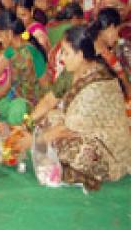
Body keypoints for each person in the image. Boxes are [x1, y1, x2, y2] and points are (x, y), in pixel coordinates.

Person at [21, 25, 131, 190]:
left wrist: (35, 141)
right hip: (77, 127)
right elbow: (49, 100)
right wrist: (27, 124)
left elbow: (67, 129)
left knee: (77, 152)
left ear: (80, 55)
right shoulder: (72, 71)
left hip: (108, 147)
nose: (61, 58)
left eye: (65, 53)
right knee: (48, 119)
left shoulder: (98, 84)